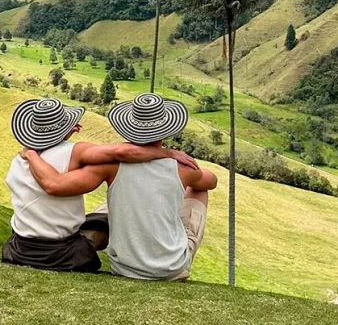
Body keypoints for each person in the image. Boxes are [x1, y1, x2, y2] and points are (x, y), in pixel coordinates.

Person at [22, 93, 217, 281]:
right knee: (199, 189)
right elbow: (211, 181)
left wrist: (33, 154)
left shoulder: (109, 165)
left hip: (123, 268)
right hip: (171, 269)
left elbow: (59, 185)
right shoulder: (183, 167)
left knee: (112, 202)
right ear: (167, 130)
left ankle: (92, 240)